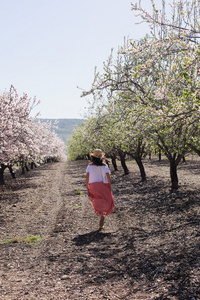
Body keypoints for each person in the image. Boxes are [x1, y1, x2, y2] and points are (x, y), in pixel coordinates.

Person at [86, 149, 114, 230]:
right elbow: (108, 177)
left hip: (93, 185)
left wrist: (88, 187)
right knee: (105, 199)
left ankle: (100, 215)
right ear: (101, 157)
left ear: (93, 157)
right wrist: (109, 187)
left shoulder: (90, 166)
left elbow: (87, 176)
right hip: (103, 185)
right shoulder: (104, 166)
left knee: (96, 200)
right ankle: (102, 216)